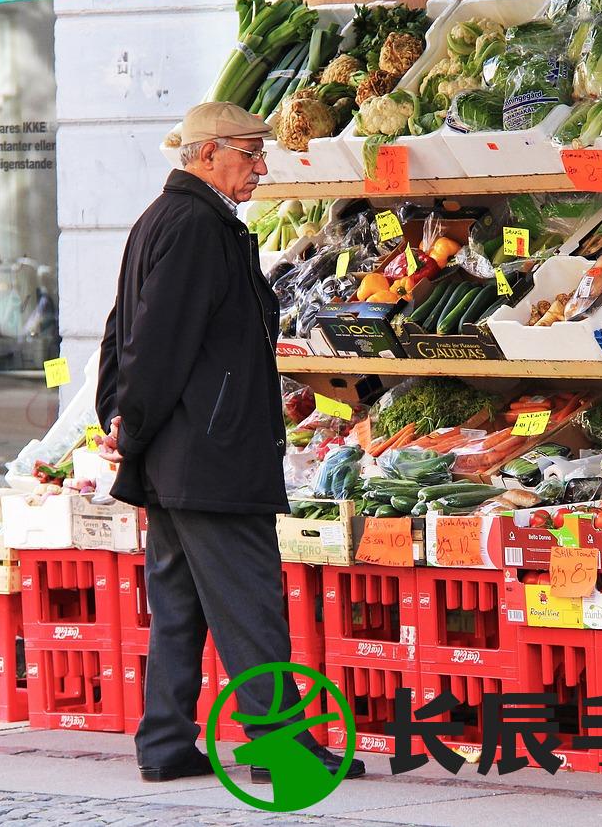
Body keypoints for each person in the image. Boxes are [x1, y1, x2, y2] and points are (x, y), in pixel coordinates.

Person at [95, 101, 364, 785]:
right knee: (249, 601)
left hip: (182, 455)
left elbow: (118, 327)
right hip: (208, 456)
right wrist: (130, 423)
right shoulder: (194, 227)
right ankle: (280, 746)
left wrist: (123, 423)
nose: (261, 166)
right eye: (250, 153)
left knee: (179, 605)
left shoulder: (168, 220)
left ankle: (164, 742)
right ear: (208, 154)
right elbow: (150, 344)